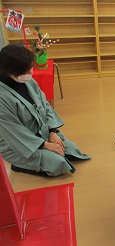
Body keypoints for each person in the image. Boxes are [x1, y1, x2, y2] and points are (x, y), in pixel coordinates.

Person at [0, 44, 90, 177]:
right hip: (19, 145)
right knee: (58, 164)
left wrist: (52, 132)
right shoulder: (2, 96)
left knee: (72, 150)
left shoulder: (28, 81)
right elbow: (14, 132)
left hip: (42, 132)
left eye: (30, 67)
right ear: (10, 71)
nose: (30, 72)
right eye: (25, 70)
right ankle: (18, 165)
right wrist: (45, 144)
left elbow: (45, 106)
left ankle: (50, 150)